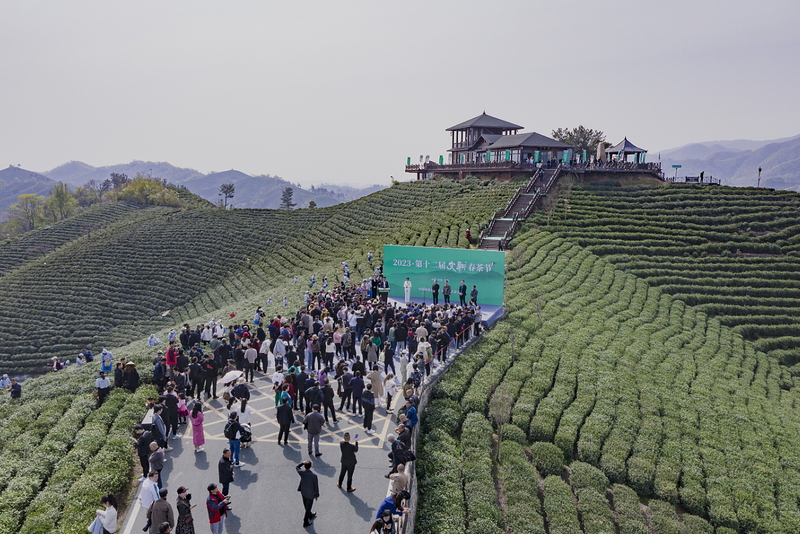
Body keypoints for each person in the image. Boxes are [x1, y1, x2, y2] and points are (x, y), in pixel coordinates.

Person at [296, 461, 319, 528]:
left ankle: (310, 514)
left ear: (304, 466)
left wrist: (302, 463)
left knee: (306, 504)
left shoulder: (302, 473)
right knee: (308, 508)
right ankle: (306, 522)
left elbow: (297, 467)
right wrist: (317, 494)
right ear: (311, 466)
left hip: (303, 492)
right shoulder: (314, 476)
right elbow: (316, 486)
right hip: (310, 494)